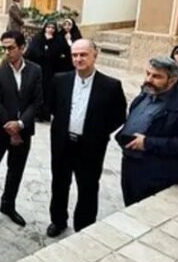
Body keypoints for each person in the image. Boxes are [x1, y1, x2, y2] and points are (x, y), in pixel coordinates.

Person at [46, 39, 127, 237]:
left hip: (90, 147)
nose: (79, 59)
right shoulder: (60, 80)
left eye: (83, 55)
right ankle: (58, 221)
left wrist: (97, 132)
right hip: (63, 143)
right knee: (59, 184)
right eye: (75, 55)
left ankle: (84, 227)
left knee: (88, 188)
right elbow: (52, 106)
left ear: (94, 56)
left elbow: (118, 116)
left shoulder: (111, 86)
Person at [0, 30, 42, 227]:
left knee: (16, 170)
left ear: (22, 48)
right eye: (3, 48)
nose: (6, 52)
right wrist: (10, 127)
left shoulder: (35, 70)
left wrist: (20, 125)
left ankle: (8, 205)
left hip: (23, 131)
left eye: (11, 48)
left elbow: (37, 102)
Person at [116, 57, 178, 206]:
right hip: (132, 167)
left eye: (156, 76)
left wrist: (148, 143)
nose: (149, 79)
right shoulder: (144, 96)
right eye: (148, 73)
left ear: (172, 80)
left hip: (159, 175)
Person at [25, 21, 71, 121]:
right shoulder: (38, 38)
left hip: (50, 72)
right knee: (36, 91)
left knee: (47, 92)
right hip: (38, 70)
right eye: (48, 27)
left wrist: (50, 44)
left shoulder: (58, 40)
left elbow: (63, 53)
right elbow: (32, 52)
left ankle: (45, 114)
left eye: (52, 28)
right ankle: (35, 113)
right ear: (45, 28)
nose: (50, 30)